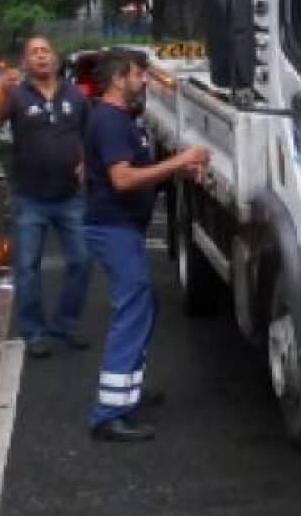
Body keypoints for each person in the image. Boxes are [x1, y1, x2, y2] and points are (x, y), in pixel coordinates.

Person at [84, 49, 209, 444]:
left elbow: (133, 170)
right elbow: (122, 179)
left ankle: (128, 390)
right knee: (133, 309)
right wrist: (179, 163)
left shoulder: (119, 119)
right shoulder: (110, 122)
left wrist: (176, 170)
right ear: (119, 79)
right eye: (138, 75)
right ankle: (109, 414)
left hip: (121, 228)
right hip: (113, 228)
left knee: (143, 306)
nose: (144, 82)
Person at [0, 34, 91, 359]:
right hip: (29, 197)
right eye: (33, 52)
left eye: (45, 50)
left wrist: (86, 162)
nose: (41, 56)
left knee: (82, 260)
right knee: (27, 268)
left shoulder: (75, 95)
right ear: (26, 62)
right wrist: (0, 90)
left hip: (70, 196)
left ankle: (66, 323)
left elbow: (89, 134)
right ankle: (34, 333)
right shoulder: (16, 95)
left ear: (55, 58)